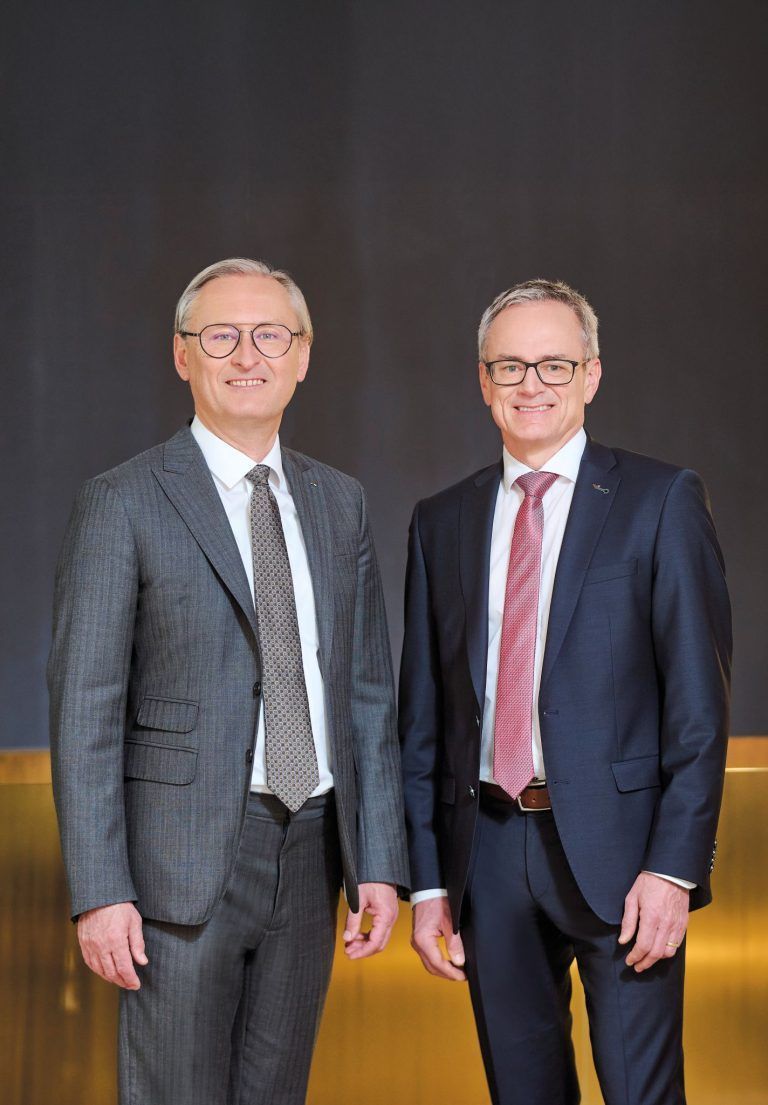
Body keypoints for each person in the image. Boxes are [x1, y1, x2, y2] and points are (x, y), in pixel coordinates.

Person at [48, 257, 409, 1105]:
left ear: (303, 355)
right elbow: (85, 710)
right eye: (221, 335)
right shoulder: (123, 500)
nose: (248, 354)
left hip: (312, 842)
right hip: (177, 865)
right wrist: (101, 891)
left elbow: (365, 694)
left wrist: (380, 862)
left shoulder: (339, 501)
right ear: (183, 355)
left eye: (270, 335)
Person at [399, 279, 731, 1105]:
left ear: (591, 374)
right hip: (489, 856)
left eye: (554, 362)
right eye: (509, 365)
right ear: (483, 381)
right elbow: (424, 718)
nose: (531, 384)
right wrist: (431, 883)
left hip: (626, 861)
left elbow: (699, 704)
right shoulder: (441, 520)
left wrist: (675, 869)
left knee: (641, 1094)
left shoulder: (660, 500)